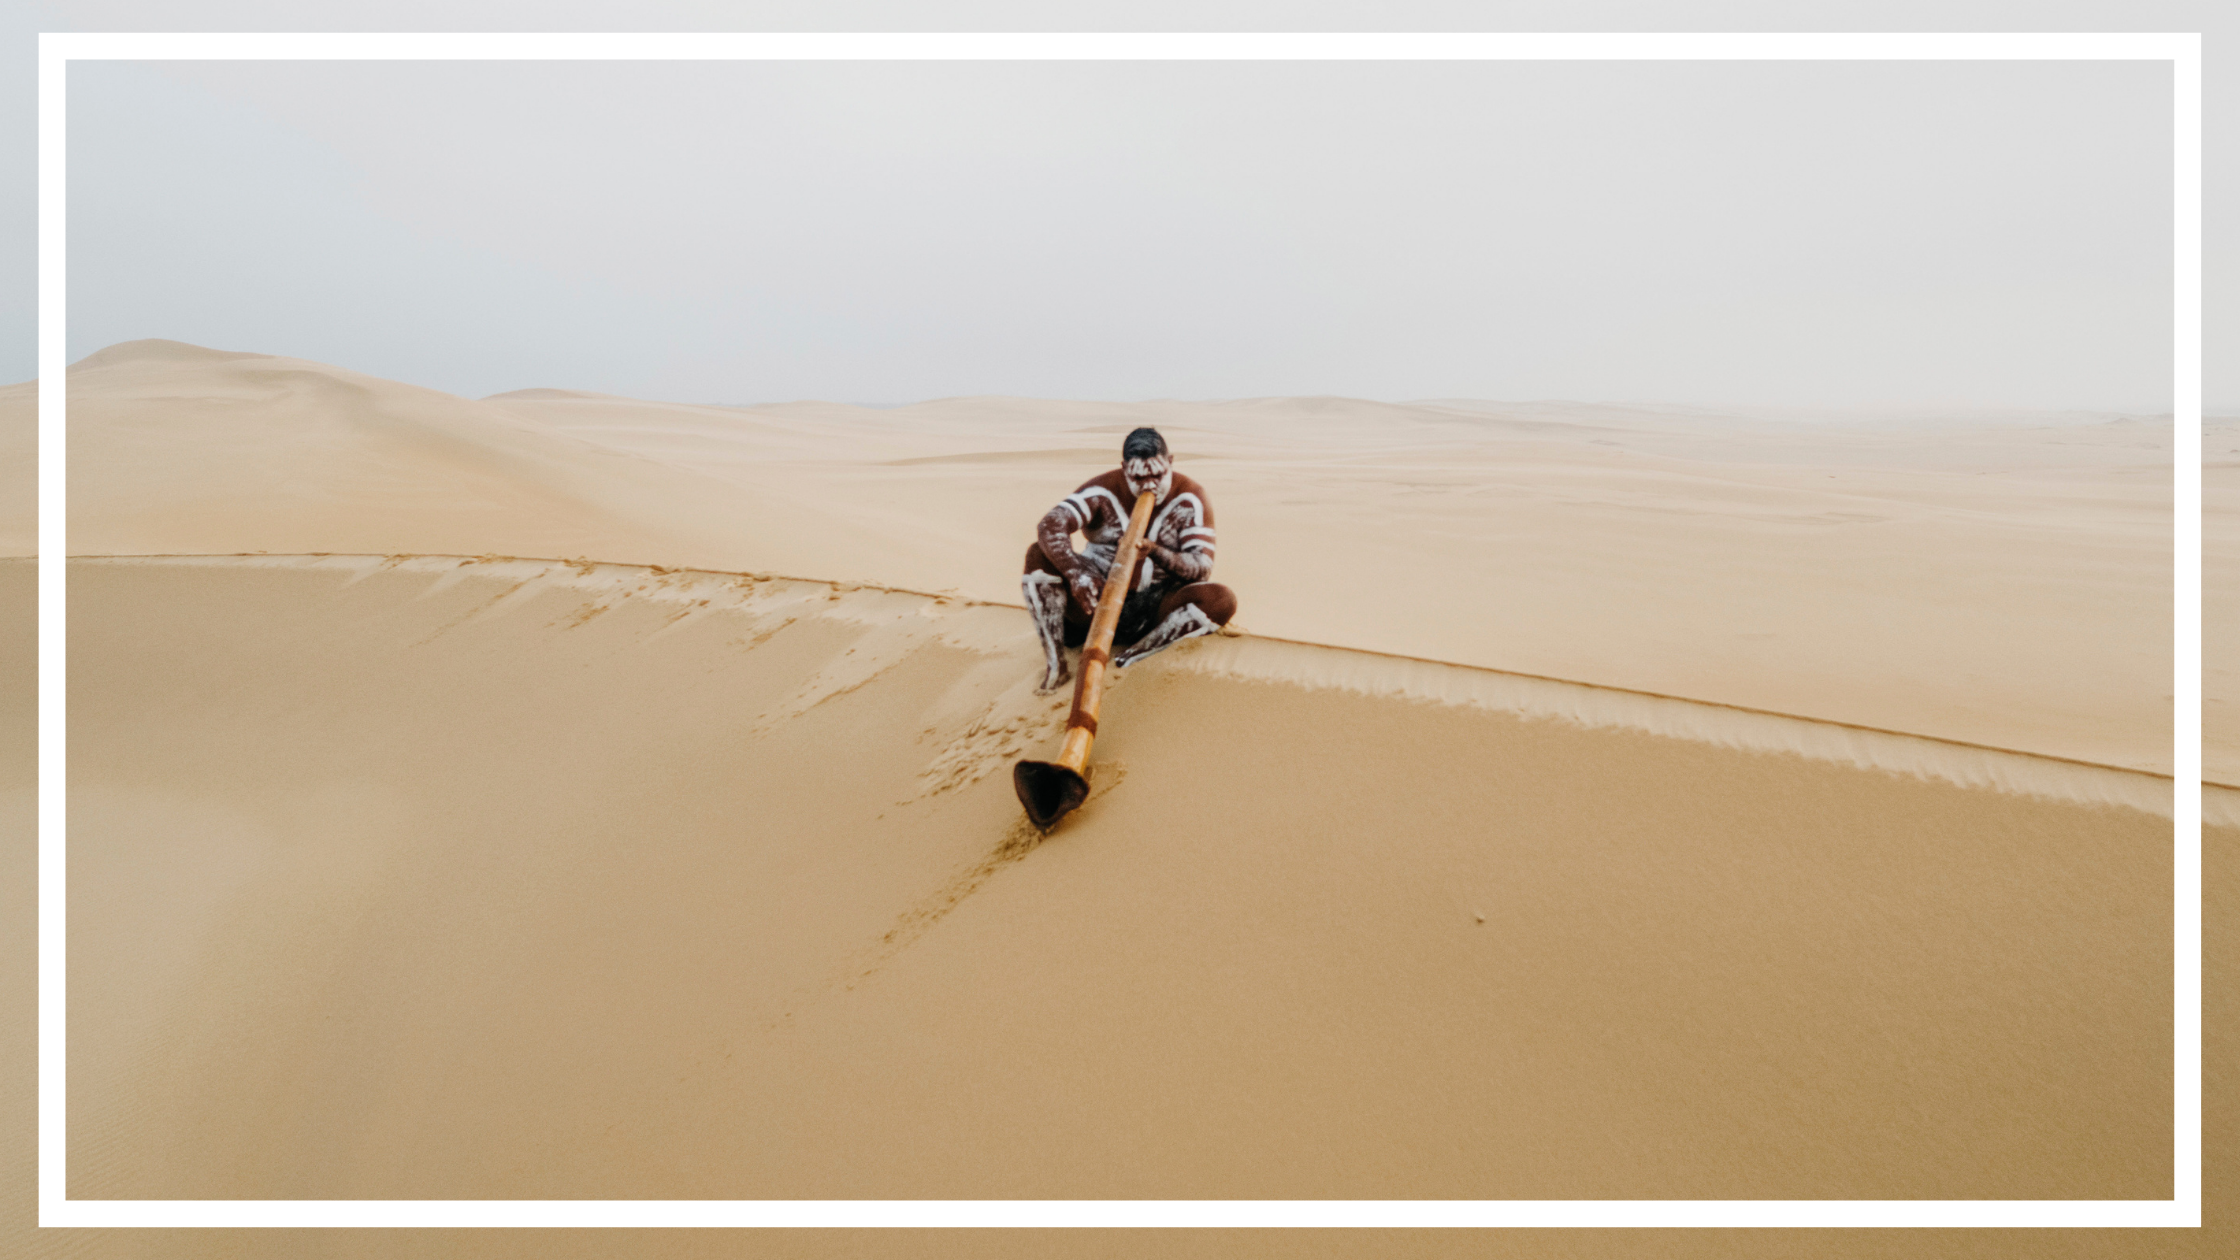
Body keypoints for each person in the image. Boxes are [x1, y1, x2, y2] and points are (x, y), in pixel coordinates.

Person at [1021, 426, 1238, 693]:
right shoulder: (1102, 491)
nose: (1149, 485)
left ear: (1171, 462)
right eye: (1138, 477)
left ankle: (1134, 656)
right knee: (1037, 554)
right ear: (1124, 468)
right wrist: (1076, 572)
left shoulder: (1190, 498)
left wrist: (1157, 552)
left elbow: (1201, 569)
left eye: (1158, 475)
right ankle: (1056, 665)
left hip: (1154, 609)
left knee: (1221, 599)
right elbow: (1050, 525)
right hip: (1091, 602)